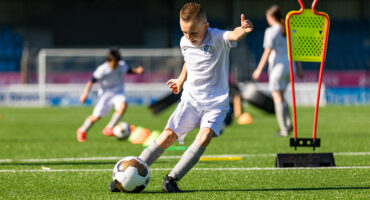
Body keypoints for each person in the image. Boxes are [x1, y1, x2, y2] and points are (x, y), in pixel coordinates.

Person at [113, 2, 252, 192]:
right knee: (167, 136)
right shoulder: (184, 41)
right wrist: (180, 80)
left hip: (216, 104)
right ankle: (131, 172)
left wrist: (243, 30)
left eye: (193, 32)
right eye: (184, 32)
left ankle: (171, 179)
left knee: (204, 137)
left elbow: (234, 34)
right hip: (191, 100)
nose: (188, 37)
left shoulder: (217, 37)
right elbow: (188, 62)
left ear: (205, 26)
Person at [252, 5, 303, 137]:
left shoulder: (271, 31)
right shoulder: (290, 30)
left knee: (277, 97)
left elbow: (267, 51)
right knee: (282, 96)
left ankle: (284, 129)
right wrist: (299, 69)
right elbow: (295, 52)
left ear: (270, 17)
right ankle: (288, 123)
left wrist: (258, 70)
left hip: (278, 68)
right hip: (290, 67)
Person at [76, 48, 144, 142]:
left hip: (118, 93)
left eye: (116, 62)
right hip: (105, 95)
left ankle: (109, 127)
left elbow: (128, 70)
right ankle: (82, 130)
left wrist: (137, 71)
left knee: (123, 105)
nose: (114, 65)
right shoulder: (102, 69)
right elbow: (91, 81)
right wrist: (84, 94)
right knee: (96, 117)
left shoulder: (122, 65)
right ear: (108, 61)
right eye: (113, 63)